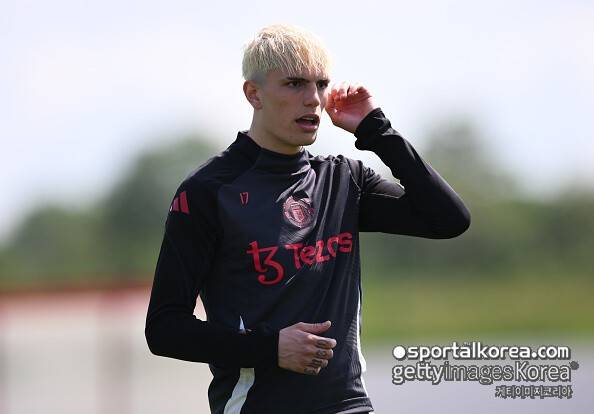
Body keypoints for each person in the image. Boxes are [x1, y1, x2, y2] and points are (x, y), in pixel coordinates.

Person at [145, 24, 470, 414]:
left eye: (321, 84)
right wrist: (270, 348)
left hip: (349, 407)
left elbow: (448, 219)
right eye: (295, 84)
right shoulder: (208, 191)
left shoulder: (344, 180)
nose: (313, 99)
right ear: (253, 94)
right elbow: (164, 328)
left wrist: (376, 130)